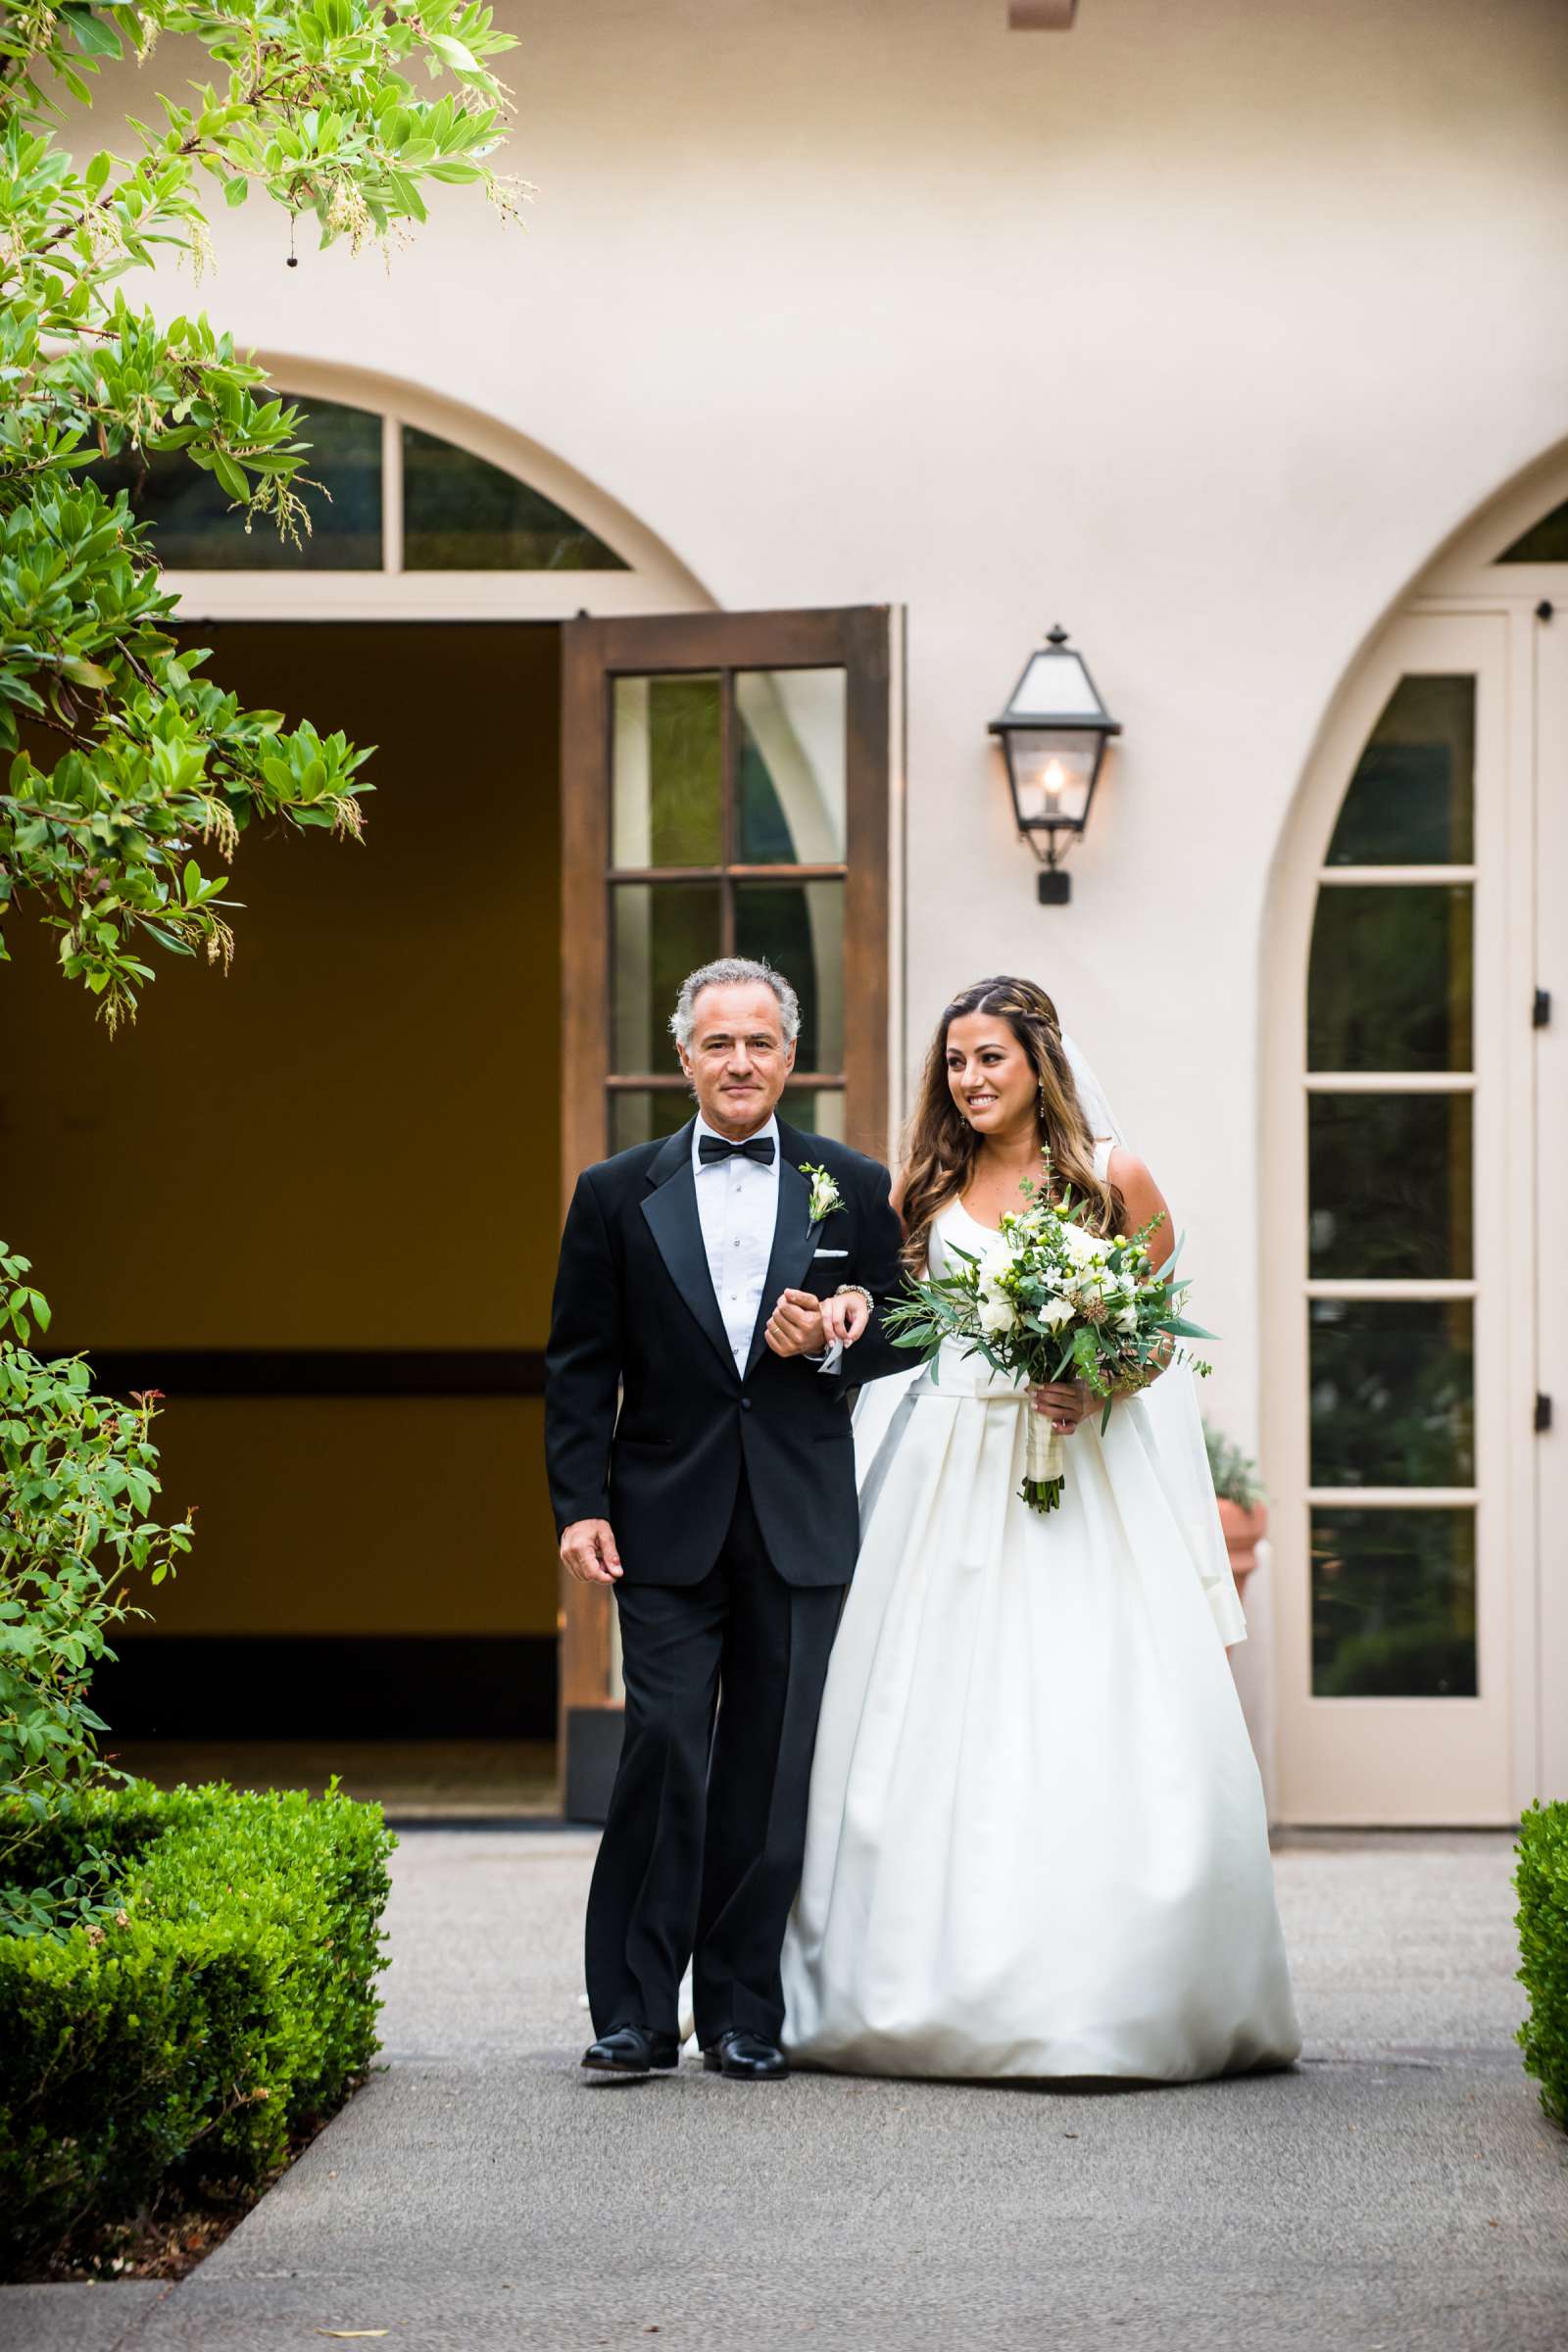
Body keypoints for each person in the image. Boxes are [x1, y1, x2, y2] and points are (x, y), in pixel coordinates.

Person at [780, 975, 1301, 2082]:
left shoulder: (1112, 1177)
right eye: (956, 1062)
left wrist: (1095, 1383)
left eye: (990, 1060)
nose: (969, 1080)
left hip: (1080, 1476)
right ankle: (903, 1981)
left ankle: (1116, 1987)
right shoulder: (924, 1186)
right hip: (944, 1473)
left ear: (1039, 1063)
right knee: (921, 1716)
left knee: (1086, 1707)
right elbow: (893, 1321)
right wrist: (844, 1315)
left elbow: (1156, 1339)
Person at [545, 956, 909, 2082]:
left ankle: (744, 2009)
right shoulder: (615, 1191)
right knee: (663, 1747)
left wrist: (843, 1331)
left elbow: (907, 1328)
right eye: (718, 1042)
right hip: (661, 1516)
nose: (739, 1061)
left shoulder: (852, 1181)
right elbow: (576, 1363)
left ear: (790, 1058)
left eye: (759, 1042)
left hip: (798, 1512)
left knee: (768, 1763)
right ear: (684, 1058)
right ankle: (634, 2014)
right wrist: (577, 1507)